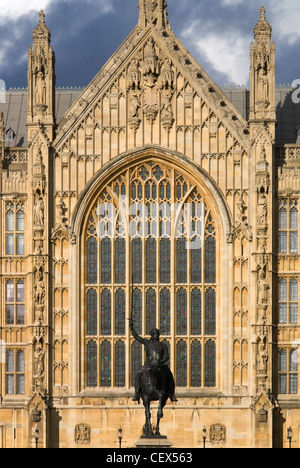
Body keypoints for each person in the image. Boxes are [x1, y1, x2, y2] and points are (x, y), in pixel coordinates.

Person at [129, 319, 177, 403]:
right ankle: (136, 393)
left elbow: (167, 356)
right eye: (154, 334)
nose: (156, 335)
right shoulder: (148, 343)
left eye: (157, 334)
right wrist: (131, 328)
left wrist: (160, 362)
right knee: (139, 374)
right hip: (149, 365)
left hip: (160, 365)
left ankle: (172, 394)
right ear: (151, 335)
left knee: (170, 376)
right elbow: (137, 337)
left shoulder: (163, 345)